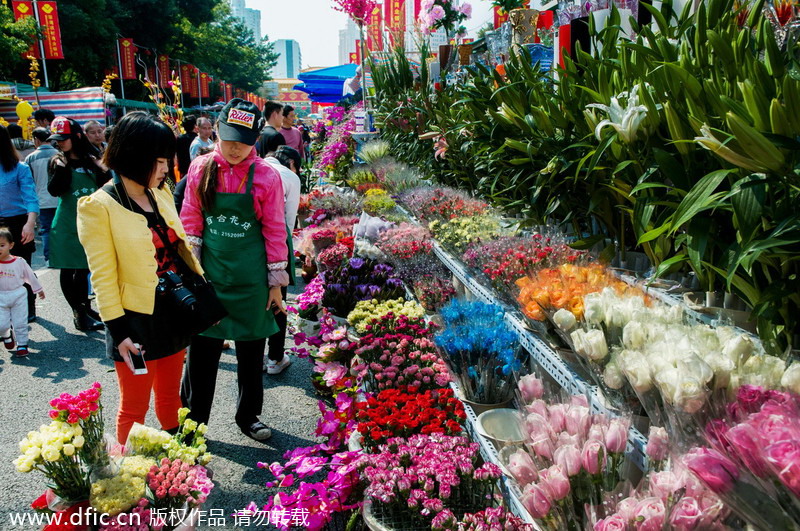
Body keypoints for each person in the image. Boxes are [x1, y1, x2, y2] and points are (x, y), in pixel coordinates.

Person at [78, 112, 204, 444]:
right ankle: (127, 481)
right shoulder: (98, 206)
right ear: (136, 156)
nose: (167, 169)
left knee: (171, 400)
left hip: (172, 311)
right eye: (161, 161)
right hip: (133, 321)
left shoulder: (159, 193)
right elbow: (102, 277)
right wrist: (118, 331)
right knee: (134, 407)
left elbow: (181, 249)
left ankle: (178, 469)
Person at [180, 98, 290, 442]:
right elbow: (191, 221)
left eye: (243, 142)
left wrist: (276, 284)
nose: (234, 148)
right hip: (209, 276)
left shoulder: (268, 175)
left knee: (250, 352)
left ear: (255, 139)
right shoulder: (200, 167)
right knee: (202, 355)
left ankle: (248, 416)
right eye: (227, 140)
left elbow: (274, 229)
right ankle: (193, 423)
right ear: (216, 134)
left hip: (251, 279)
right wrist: (191, 272)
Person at [47, 117, 108, 331]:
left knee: (84, 269)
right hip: (67, 223)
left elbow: (107, 187)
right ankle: (79, 314)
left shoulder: (93, 159)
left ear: (77, 137)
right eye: (57, 139)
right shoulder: (57, 161)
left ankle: (85, 309)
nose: (60, 143)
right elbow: (54, 190)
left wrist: (101, 168)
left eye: (64, 139)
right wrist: (62, 169)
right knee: (70, 269)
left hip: (91, 222)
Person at [263, 145, 301, 375]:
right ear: (292, 164)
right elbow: (289, 220)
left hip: (250, 246)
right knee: (278, 303)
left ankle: (256, 354)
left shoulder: (253, 170)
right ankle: (275, 358)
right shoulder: (290, 177)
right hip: (277, 245)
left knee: (257, 300)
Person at [0, 125, 39, 322]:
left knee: (22, 268)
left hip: (18, 223)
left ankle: (28, 307)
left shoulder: (19, 168)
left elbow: (31, 197)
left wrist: (30, 223)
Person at [0, 226, 45, 357]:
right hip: (1, 297)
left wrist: (38, 289)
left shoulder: (19, 262)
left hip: (18, 295)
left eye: (2, 245)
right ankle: (7, 335)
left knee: (20, 322)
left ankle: (22, 344)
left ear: (11, 245)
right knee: (1, 325)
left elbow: (30, 276)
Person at [24, 127, 59, 262]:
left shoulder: (30, 158)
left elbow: (29, 182)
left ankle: (49, 257)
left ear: (36, 140)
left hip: (41, 200)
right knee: (60, 228)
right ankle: (61, 255)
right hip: (59, 199)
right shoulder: (58, 154)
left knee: (46, 229)